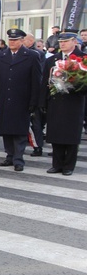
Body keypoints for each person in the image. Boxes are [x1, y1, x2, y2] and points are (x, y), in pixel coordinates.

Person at [0, 28, 42, 172]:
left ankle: (18, 159)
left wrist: (34, 102)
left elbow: (36, 81)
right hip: (4, 98)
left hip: (22, 99)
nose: (12, 42)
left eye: (15, 40)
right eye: (10, 40)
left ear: (22, 41)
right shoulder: (1, 56)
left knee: (19, 131)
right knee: (6, 129)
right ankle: (9, 155)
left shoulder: (31, 56)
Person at [40, 32, 85, 175]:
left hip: (74, 101)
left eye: (66, 41)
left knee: (71, 135)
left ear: (74, 42)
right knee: (56, 133)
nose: (62, 44)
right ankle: (57, 164)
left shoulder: (82, 59)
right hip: (56, 101)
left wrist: (76, 84)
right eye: (61, 42)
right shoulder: (53, 59)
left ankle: (68, 166)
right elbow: (44, 82)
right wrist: (42, 101)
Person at [23, 33, 46, 156]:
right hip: (22, 93)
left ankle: (38, 147)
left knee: (35, 122)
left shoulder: (38, 54)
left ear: (30, 41)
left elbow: (38, 76)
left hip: (33, 93)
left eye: (24, 40)